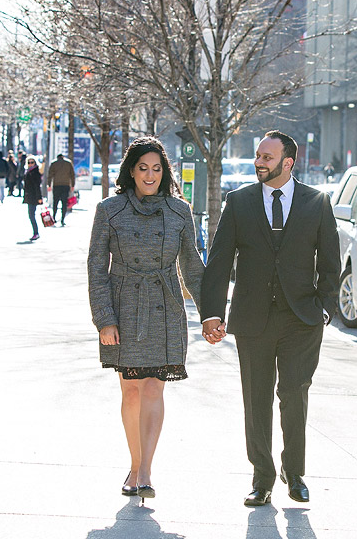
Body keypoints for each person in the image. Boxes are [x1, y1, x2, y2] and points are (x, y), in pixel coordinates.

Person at [200, 131, 339, 507]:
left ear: (287, 162)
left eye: (266, 157)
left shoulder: (317, 202)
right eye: (258, 156)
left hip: (301, 319)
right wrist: (211, 313)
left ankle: (294, 472)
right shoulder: (239, 202)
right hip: (252, 318)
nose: (259, 162)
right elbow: (219, 262)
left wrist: (324, 309)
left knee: (294, 393)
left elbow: (330, 262)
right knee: (256, 399)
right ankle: (262, 478)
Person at [88, 137, 205, 499]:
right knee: (132, 389)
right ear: (131, 171)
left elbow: (192, 266)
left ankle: (145, 470)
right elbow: (96, 267)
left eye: (156, 168)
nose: (150, 175)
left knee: (155, 385)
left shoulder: (179, 210)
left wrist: (211, 315)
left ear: (164, 171)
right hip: (124, 306)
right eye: (143, 168)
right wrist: (104, 318)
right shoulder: (110, 209)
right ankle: (134, 463)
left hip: (165, 304)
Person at [48, 153, 76, 226]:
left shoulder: (53, 163)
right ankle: (62, 219)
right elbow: (72, 175)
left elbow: (50, 175)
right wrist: (72, 185)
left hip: (56, 185)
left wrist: (49, 185)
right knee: (64, 203)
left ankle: (54, 217)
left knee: (55, 202)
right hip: (66, 185)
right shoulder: (68, 163)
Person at [22, 155, 44, 240]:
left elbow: (37, 186)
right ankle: (35, 232)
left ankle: (36, 232)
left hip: (33, 196)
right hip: (29, 196)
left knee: (31, 215)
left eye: (32, 162)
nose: (30, 164)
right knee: (31, 215)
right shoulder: (28, 171)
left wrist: (39, 197)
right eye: (29, 162)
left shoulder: (35, 172)